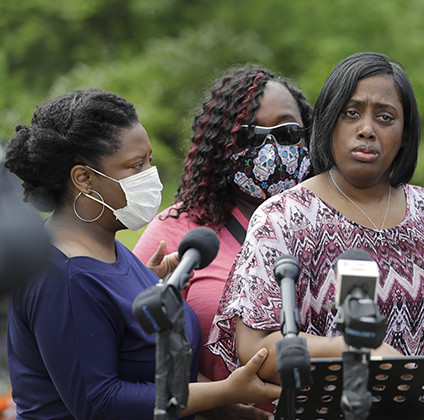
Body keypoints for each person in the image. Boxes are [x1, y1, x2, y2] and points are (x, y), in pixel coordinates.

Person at [207, 52, 424, 382]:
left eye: (386, 118)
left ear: (405, 134)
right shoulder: (282, 219)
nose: (367, 130)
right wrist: (351, 350)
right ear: (329, 121)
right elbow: (256, 347)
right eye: (352, 113)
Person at [4, 89, 280, 419]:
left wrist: (222, 408)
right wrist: (224, 390)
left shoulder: (111, 250)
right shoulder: (63, 277)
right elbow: (101, 403)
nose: (151, 175)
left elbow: (145, 364)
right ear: (84, 179)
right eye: (136, 166)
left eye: (149, 160)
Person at [133, 65, 311, 417]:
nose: (270, 148)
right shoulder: (179, 231)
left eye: (288, 133)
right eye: (249, 137)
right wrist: (218, 402)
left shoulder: (328, 222)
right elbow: (133, 345)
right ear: (221, 146)